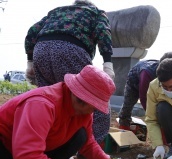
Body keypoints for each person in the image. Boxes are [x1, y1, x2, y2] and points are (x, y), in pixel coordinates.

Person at [0, 65, 119, 159]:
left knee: (80, 135)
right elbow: (26, 154)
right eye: (94, 107)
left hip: (20, 150)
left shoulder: (83, 112)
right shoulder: (42, 105)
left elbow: (87, 142)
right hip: (4, 146)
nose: (93, 111)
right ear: (81, 99)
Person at [24, 0, 115, 146]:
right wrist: (108, 62)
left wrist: (30, 61)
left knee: (50, 101)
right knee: (95, 97)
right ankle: (94, 146)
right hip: (71, 50)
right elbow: (103, 32)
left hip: (40, 51)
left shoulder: (57, 11)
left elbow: (32, 31)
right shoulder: (95, 12)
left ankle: (49, 145)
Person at [118, 52, 172, 130]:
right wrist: (153, 118)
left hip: (155, 83)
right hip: (134, 82)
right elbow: (144, 98)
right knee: (128, 105)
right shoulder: (147, 73)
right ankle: (124, 127)